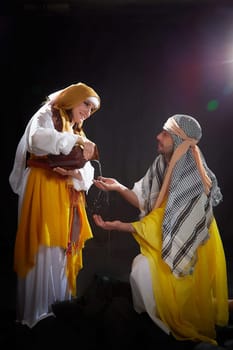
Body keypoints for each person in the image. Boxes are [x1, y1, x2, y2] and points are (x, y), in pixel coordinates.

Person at [92, 114, 229, 346]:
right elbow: (145, 201)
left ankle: (164, 330)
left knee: (155, 278)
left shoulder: (191, 174)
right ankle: (159, 323)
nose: (158, 136)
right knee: (142, 271)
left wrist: (122, 227)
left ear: (178, 138)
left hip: (190, 242)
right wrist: (118, 188)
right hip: (164, 234)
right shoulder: (163, 162)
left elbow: (170, 219)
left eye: (165, 133)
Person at [9, 82, 101, 328]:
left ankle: (57, 306)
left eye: (92, 109)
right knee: (42, 248)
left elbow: (87, 170)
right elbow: (36, 140)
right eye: (86, 105)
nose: (88, 112)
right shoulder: (46, 114)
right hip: (42, 188)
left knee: (62, 250)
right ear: (73, 99)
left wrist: (79, 171)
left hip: (65, 195)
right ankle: (36, 312)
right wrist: (76, 144)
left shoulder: (77, 130)